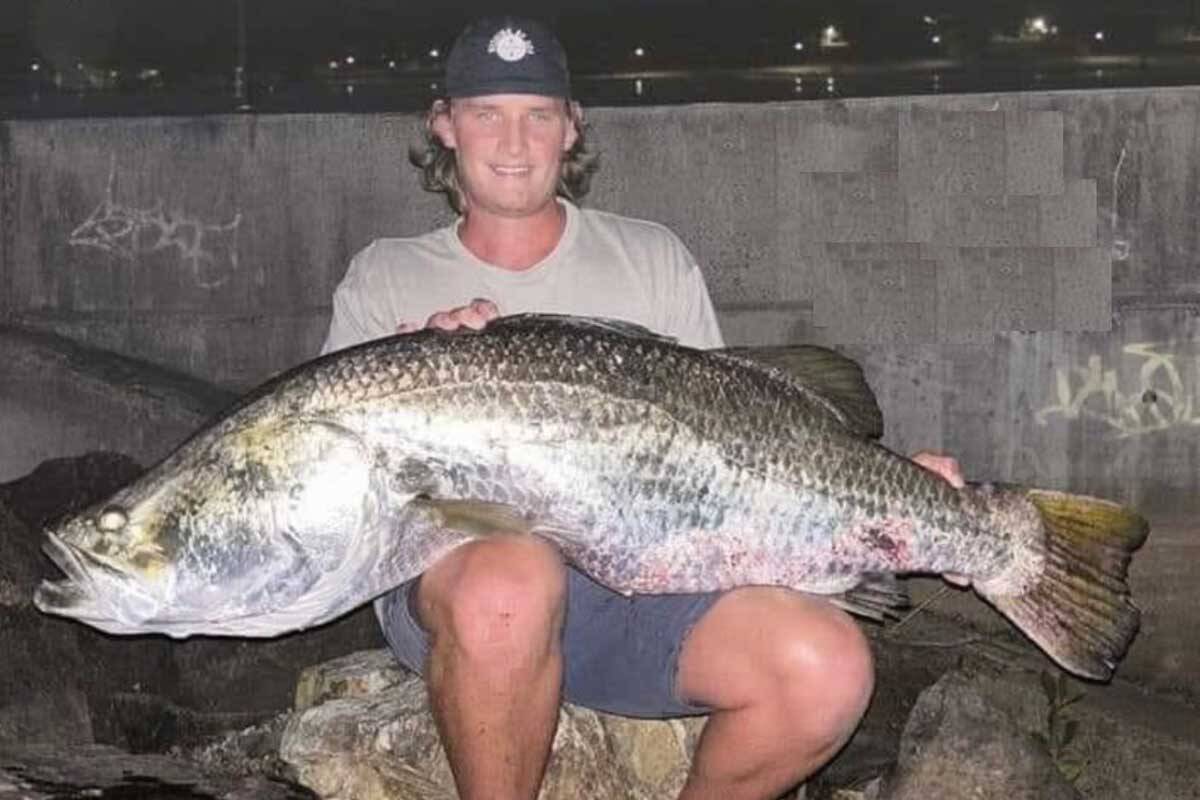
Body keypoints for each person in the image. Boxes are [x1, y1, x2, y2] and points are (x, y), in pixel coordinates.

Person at [320, 15, 965, 800]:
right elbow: (341, 492)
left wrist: (879, 489)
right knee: (512, 573)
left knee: (823, 668)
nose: (514, 142)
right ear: (444, 125)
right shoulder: (385, 279)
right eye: (487, 113)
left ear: (572, 128)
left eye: (539, 115)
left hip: (640, 591)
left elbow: (739, 449)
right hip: (465, 589)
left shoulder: (650, 259)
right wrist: (418, 362)